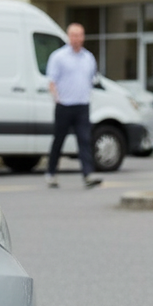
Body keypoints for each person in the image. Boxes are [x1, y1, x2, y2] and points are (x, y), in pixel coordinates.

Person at [44, 23, 102, 188]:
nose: (77, 39)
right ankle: (51, 172)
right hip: (64, 106)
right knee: (59, 140)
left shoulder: (88, 57)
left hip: (82, 106)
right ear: (69, 37)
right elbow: (51, 81)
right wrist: (57, 98)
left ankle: (88, 174)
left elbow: (92, 79)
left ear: (83, 37)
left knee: (85, 140)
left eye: (80, 35)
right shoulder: (59, 57)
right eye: (74, 35)